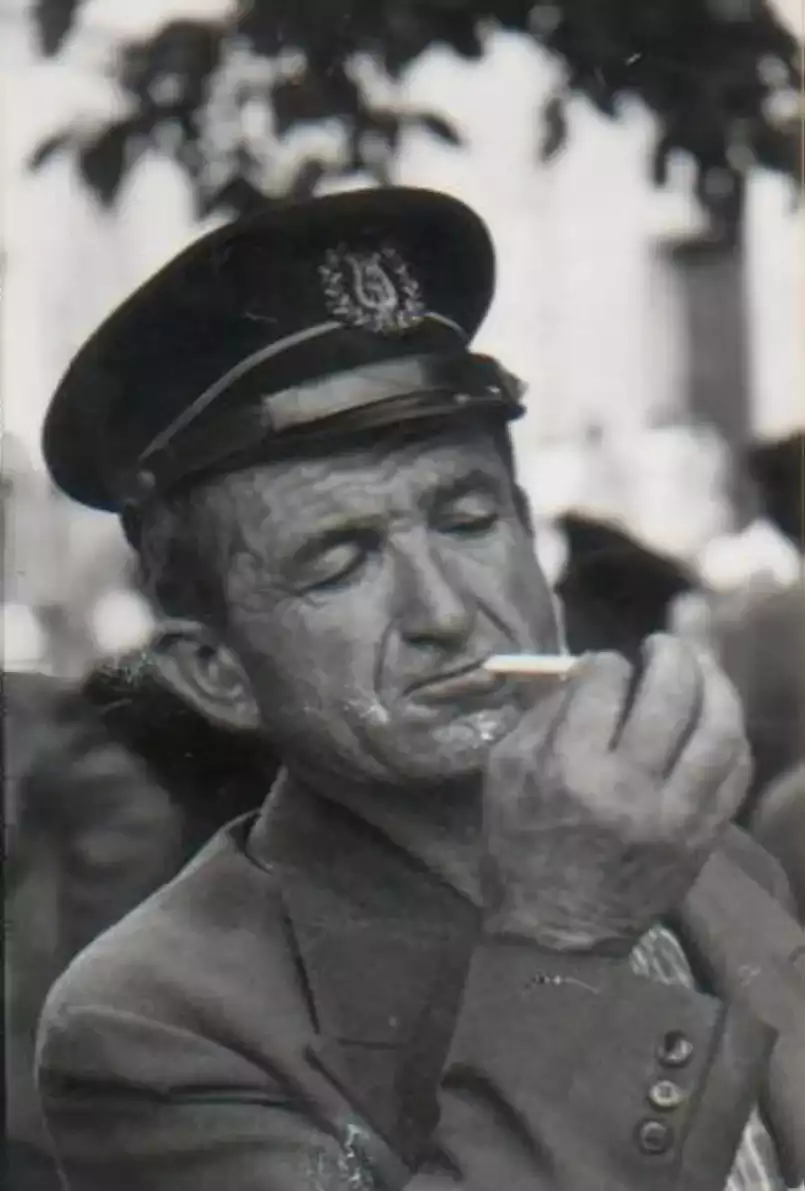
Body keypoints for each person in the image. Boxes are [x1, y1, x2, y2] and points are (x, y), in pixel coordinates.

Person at [34, 187, 804, 1190]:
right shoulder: (153, 1025)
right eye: (338, 563)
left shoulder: (706, 859)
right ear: (217, 673)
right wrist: (567, 942)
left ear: (527, 532)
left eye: (468, 521)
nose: (441, 609)